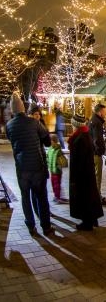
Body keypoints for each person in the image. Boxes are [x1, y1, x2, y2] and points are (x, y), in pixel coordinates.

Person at [6, 92, 54, 237]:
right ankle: (46, 226)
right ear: (23, 108)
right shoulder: (33, 122)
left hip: (22, 168)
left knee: (25, 198)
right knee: (41, 197)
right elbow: (46, 139)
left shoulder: (9, 126)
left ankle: (31, 226)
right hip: (37, 166)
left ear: (13, 110)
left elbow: (12, 141)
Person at [68, 114, 104, 231]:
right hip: (87, 174)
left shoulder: (80, 138)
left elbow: (79, 160)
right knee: (90, 196)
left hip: (82, 175)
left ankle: (87, 222)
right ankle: (92, 218)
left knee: (84, 197)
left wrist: (75, 176)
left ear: (76, 125)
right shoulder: (84, 135)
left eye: (73, 124)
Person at [88, 103, 106, 204]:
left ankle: (95, 196)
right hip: (96, 153)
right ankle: (97, 197)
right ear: (100, 112)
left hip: (92, 152)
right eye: (105, 111)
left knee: (95, 176)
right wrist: (100, 150)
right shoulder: (97, 122)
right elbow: (97, 140)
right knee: (97, 176)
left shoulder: (92, 120)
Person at [46, 133, 69, 204]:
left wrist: (59, 165)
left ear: (54, 141)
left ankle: (58, 197)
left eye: (51, 141)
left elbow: (61, 159)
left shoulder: (57, 149)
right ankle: (56, 196)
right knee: (54, 184)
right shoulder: (50, 149)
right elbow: (47, 158)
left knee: (57, 184)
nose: (50, 143)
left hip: (57, 170)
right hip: (52, 170)